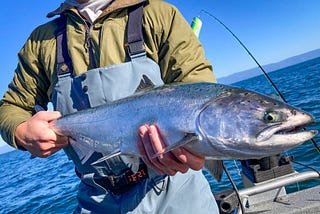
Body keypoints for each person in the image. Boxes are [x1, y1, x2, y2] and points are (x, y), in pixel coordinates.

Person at [0, 0, 219, 213]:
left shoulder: (158, 14)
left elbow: (202, 93)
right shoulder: (41, 41)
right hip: (96, 199)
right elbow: (11, 106)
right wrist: (21, 132)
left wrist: (201, 147)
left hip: (178, 193)